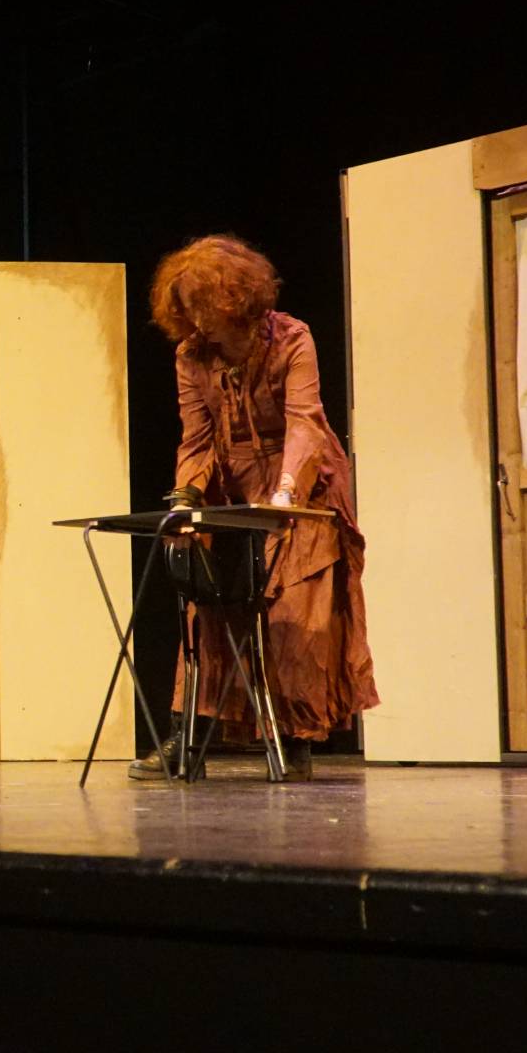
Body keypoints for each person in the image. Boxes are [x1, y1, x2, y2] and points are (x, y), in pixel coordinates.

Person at [130, 235, 377, 781]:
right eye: (187, 308)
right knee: (208, 606)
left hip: (303, 480)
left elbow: (304, 421)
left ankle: (293, 739)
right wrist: (188, 496)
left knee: (295, 610)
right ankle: (189, 737)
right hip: (231, 482)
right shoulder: (192, 355)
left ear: (232, 299)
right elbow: (196, 437)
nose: (197, 320)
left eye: (203, 305)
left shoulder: (292, 339)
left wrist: (287, 492)